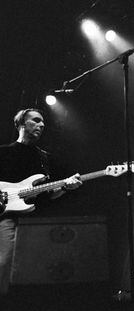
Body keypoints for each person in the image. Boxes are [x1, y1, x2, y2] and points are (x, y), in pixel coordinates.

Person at [0, 108, 82, 295]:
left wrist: (65, 187)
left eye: (43, 122)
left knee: (37, 270)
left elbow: (49, 195)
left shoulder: (44, 158)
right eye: (36, 120)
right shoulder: (4, 153)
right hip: (8, 219)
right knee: (3, 264)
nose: (41, 125)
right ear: (21, 124)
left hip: (37, 222)